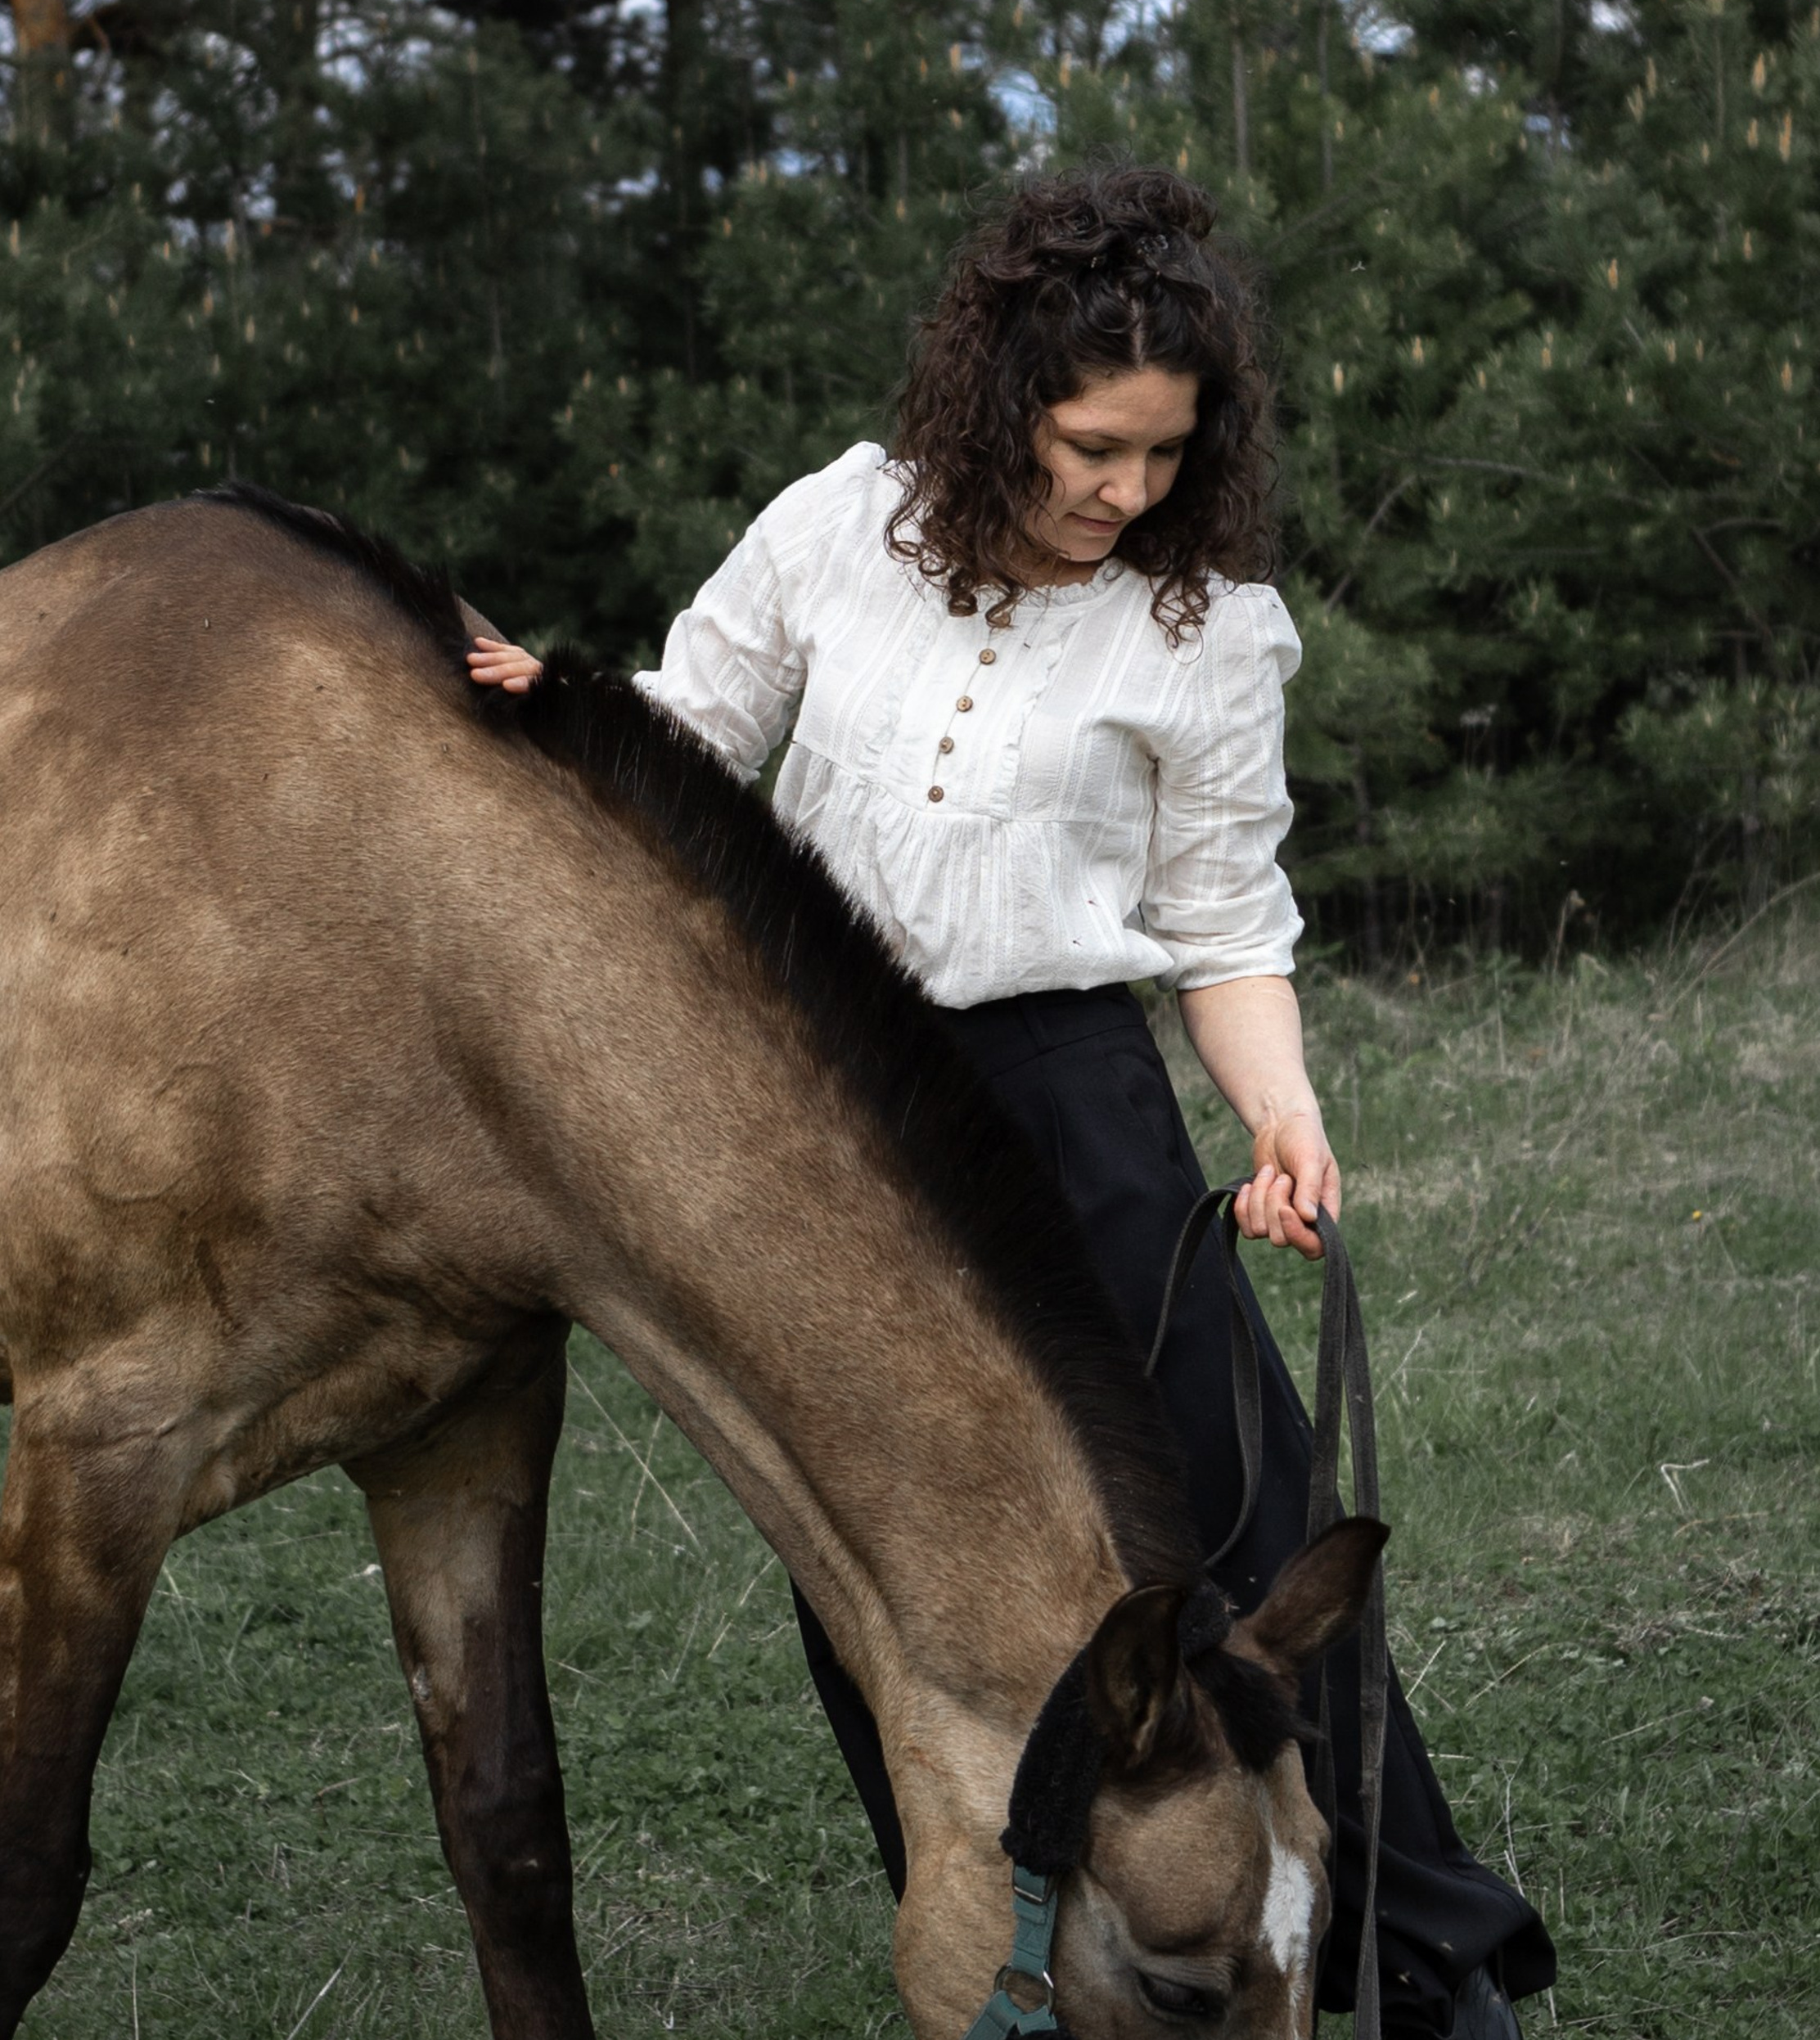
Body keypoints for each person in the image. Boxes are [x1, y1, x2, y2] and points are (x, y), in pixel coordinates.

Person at [466, 160, 1555, 2040]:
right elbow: (683, 743)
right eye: (1084, 443)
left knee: (1236, 1532)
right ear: (997, 399)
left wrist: (1278, 1115)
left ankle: (1420, 1955)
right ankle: (1016, 1938)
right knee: (879, 1546)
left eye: (1158, 453)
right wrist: (548, 698)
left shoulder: (1206, 630)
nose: (1119, 491)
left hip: (1070, 1108)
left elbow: (1222, 917)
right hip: (821, 1125)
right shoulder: (832, 527)